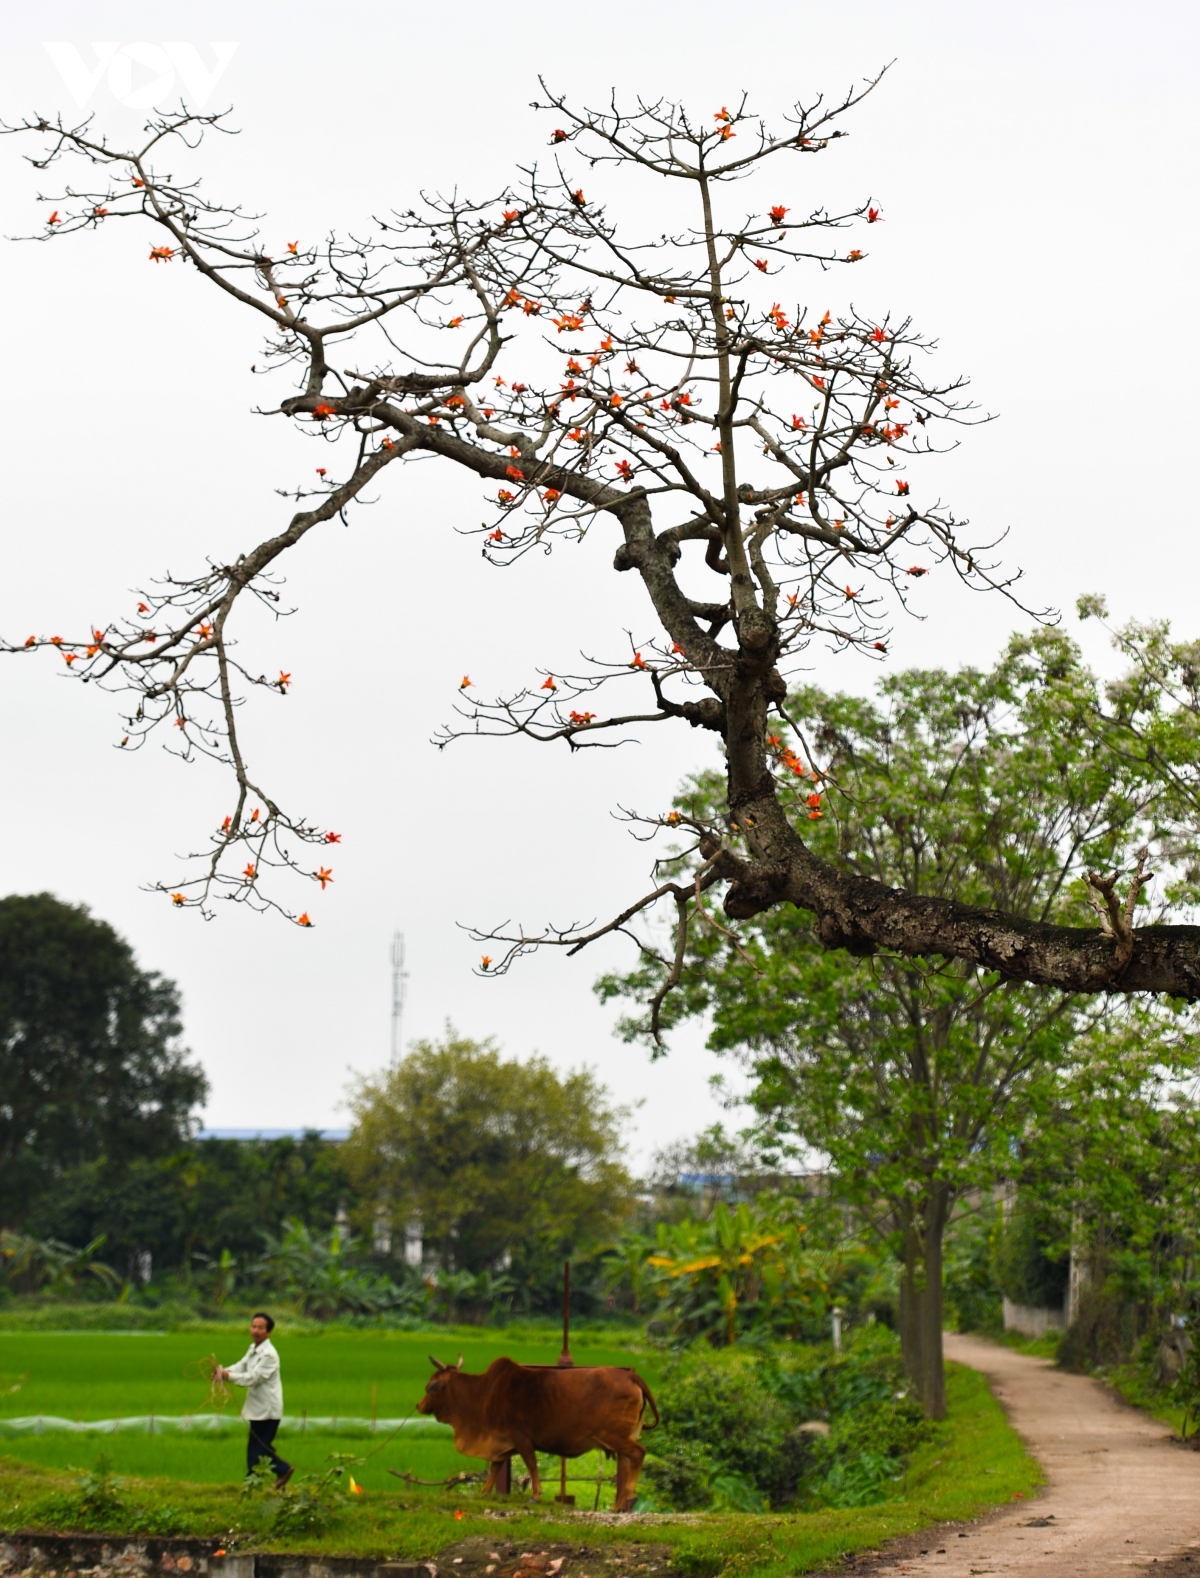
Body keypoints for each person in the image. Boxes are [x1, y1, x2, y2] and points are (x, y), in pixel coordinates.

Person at [217, 1311, 294, 1488]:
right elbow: (241, 1366)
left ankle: (282, 1470)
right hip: (257, 1409)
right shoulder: (253, 1349)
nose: (255, 1330)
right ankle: (253, 1484)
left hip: (268, 1410)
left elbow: (253, 1378)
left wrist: (228, 1376)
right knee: (260, 1449)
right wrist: (224, 1372)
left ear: (268, 1332)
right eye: (253, 1326)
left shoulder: (269, 1355)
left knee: (257, 1451)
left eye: (260, 1328)